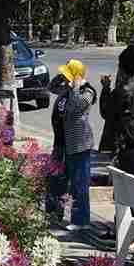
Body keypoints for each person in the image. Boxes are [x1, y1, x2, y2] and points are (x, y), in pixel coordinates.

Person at [59, 59, 97, 232]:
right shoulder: (70, 89)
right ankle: (76, 218)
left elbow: (75, 107)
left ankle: (81, 220)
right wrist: (64, 77)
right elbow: (52, 88)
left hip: (81, 144)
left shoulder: (87, 93)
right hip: (70, 144)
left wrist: (76, 86)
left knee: (80, 185)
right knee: (73, 184)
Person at [99, 47, 134, 154]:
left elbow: (106, 112)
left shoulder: (121, 92)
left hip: (124, 147)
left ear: (122, 69)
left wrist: (105, 89)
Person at [45, 71, 72, 221]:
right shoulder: (64, 90)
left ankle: (60, 210)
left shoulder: (76, 95)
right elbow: (51, 86)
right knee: (53, 176)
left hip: (68, 144)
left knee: (63, 179)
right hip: (59, 143)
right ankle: (51, 209)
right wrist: (62, 75)